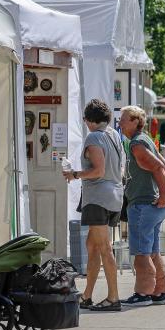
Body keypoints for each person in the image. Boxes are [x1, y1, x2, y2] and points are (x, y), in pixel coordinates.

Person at [63, 99, 125, 311]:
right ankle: (87, 295)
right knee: (92, 245)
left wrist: (75, 174)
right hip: (114, 195)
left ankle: (113, 298)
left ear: (89, 120)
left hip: (99, 197)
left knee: (104, 247)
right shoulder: (113, 134)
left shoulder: (94, 136)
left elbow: (98, 170)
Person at [119, 106, 165, 306]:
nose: (119, 123)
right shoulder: (145, 140)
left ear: (136, 121)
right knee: (152, 250)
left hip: (143, 205)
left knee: (141, 253)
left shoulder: (137, 143)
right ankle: (159, 291)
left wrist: (164, 195)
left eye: (124, 119)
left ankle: (142, 293)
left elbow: (158, 167)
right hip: (152, 207)